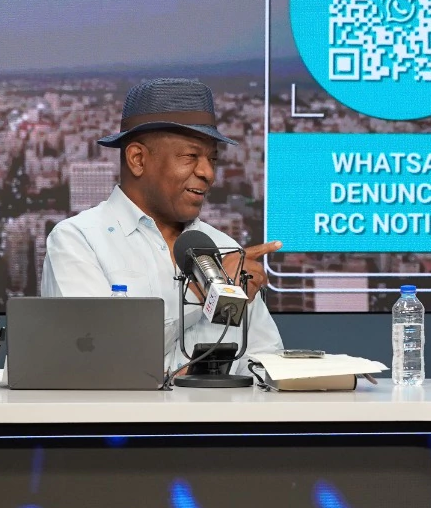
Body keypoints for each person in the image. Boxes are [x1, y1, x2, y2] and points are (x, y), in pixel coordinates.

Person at [41, 78, 284, 372]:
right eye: (191, 156)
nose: (208, 173)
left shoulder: (226, 249)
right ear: (138, 159)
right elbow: (91, 354)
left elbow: (265, 361)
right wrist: (207, 291)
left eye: (212, 159)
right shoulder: (77, 241)